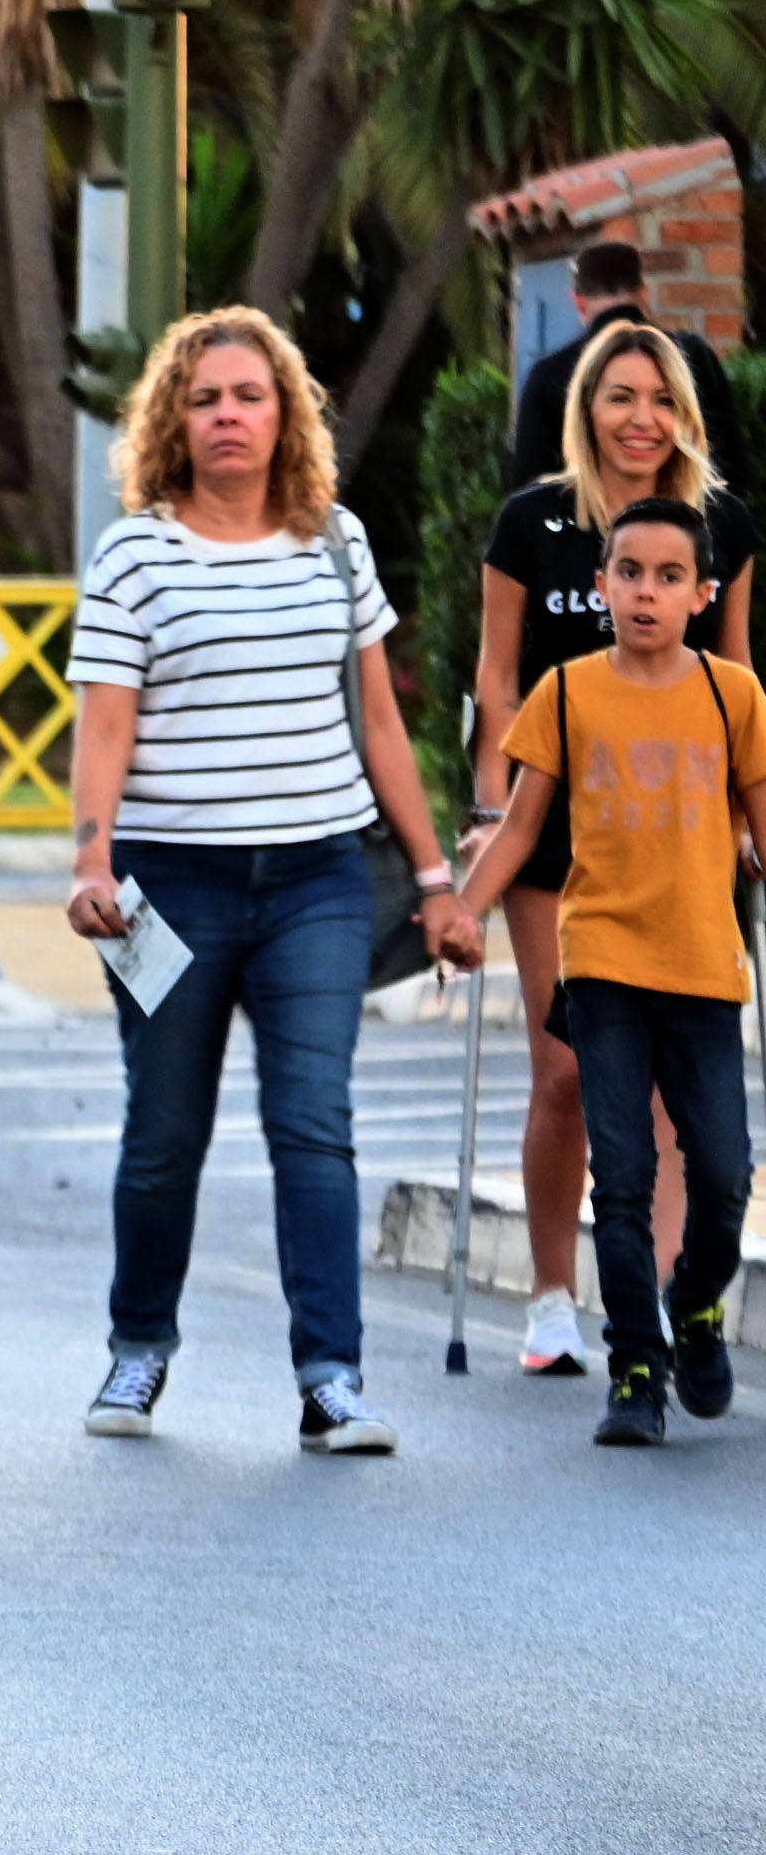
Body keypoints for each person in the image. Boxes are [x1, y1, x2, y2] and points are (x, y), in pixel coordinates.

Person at [63, 308, 458, 1453]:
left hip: (319, 884)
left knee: (314, 1128)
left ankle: (330, 1377)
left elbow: (382, 721)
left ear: (286, 415)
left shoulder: (334, 540)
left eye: (249, 396)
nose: (228, 416)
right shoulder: (136, 552)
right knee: (164, 1134)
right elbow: (103, 730)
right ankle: (139, 1351)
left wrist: (434, 879)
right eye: (205, 399)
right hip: (166, 887)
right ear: (172, 424)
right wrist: (92, 858)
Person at [438, 492, 766, 1444]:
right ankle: (635, 1366)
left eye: (670, 577)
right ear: (600, 586)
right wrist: (464, 909)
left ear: (703, 594)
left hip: (705, 968)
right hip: (604, 968)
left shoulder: (732, 695)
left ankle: (695, 1304)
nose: (647, 593)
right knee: (619, 1177)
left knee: (724, 1175)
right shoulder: (569, 692)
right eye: (629, 574)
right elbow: (522, 829)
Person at [472, 318, 753, 1372]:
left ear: (684, 414)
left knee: (673, 1097)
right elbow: (497, 678)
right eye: (619, 397)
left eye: (661, 399)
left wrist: (736, 829)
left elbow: (737, 679)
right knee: (568, 1073)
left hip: (676, 837)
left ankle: (672, 1308)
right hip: (552, 832)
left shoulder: (720, 526)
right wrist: (491, 804)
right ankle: (553, 1295)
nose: (642, 419)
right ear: (584, 407)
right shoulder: (529, 521)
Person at [508, 239, 753, 503]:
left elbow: (529, 481)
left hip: (588, 531)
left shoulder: (550, 373)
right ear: (643, 292)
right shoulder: (693, 356)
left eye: (664, 401)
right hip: (691, 522)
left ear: (578, 301)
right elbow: (730, 465)